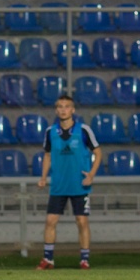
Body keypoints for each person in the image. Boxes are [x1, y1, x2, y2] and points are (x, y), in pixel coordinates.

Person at [37, 95, 101, 270]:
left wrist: (92, 174)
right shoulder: (50, 132)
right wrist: (43, 177)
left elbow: (98, 152)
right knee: (50, 221)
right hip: (58, 185)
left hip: (80, 184)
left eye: (66, 106)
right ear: (56, 110)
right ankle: (48, 259)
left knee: (82, 221)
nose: (63, 110)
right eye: (60, 106)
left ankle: (84, 260)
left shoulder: (84, 130)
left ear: (73, 110)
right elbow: (47, 155)